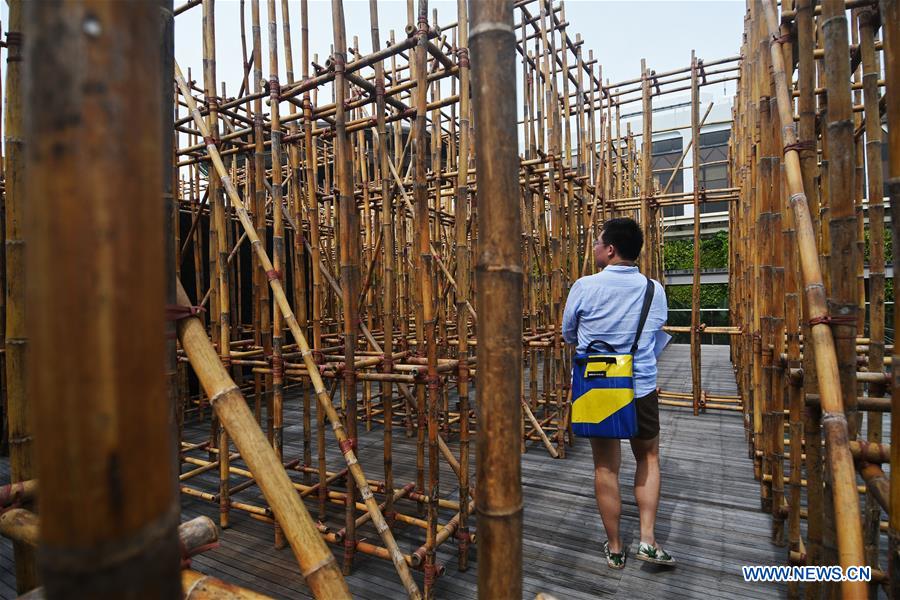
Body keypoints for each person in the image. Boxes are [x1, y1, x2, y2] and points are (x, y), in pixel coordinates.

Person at [561, 217, 675, 570]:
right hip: (640, 386)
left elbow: (568, 334)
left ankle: (614, 547)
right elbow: (655, 332)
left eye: (597, 242)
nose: (594, 247)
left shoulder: (584, 286)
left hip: (599, 386)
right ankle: (648, 540)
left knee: (605, 467)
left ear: (610, 249)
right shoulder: (654, 290)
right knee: (648, 458)